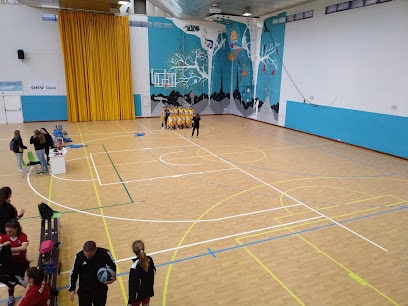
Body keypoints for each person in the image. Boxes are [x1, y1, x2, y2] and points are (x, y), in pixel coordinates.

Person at [69, 241, 117, 306]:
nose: (87, 258)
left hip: (100, 290)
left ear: (95, 250)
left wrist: (113, 275)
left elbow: (113, 265)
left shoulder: (105, 253)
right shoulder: (78, 257)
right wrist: (72, 289)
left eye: (90, 256)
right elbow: (73, 273)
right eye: (86, 255)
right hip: (84, 291)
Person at [0, 220, 29, 306]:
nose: (8, 233)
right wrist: (3, 246)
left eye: (10, 231)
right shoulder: (5, 238)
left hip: (22, 264)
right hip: (10, 265)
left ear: (16, 229)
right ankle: (11, 296)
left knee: (25, 282)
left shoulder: (22, 236)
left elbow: (24, 248)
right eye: (7, 231)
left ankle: (29, 296)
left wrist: (9, 249)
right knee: (11, 282)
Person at [128, 240, 156, 306]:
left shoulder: (134, 267)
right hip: (148, 291)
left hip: (138, 296)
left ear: (134, 251)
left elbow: (133, 287)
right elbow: (154, 272)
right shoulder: (150, 259)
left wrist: (130, 302)